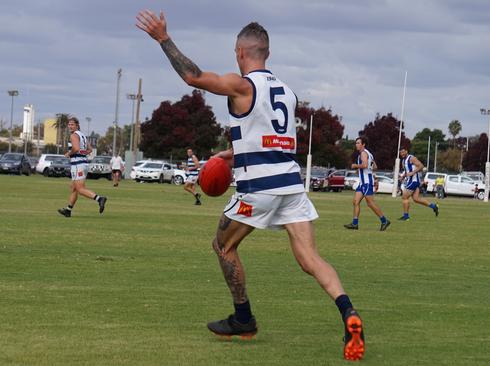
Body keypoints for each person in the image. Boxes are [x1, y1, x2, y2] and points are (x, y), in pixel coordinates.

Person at [137, 11, 365, 361]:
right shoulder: (287, 93)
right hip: (290, 185)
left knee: (222, 246)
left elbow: (193, 77)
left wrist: (163, 39)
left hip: (258, 189)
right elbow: (272, 139)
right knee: (309, 258)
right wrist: (232, 153)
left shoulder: (243, 85)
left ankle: (243, 318)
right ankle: (348, 312)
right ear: (267, 54)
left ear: (239, 53)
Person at [57, 116, 107, 218]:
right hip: (83, 164)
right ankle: (68, 210)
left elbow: (75, 148)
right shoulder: (82, 135)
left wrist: (69, 154)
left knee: (80, 189)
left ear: (77, 125)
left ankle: (99, 199)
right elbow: (89, 150)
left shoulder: (74, 135)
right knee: (74, 188)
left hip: (77, 165)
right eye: (69, 124)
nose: (70, 126)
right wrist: (81, 153)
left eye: (72, 124)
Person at [344, 137, 390, 231]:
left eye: (358, 143)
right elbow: (375, 167)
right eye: (356, 143)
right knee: (355, 202)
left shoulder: (363, 153)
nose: (356, 144)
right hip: (363, 182)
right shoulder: (369, 154)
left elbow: (365, 165)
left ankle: (384, 220)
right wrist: (361, 170)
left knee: (370, 203)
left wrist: (355, 166)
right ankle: (355, 224)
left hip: (367, 182)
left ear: (363, 144)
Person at [398, 148, 439, 220]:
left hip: (413, 181)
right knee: (416, 199)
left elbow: (421, 166)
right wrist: (403, 176)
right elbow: (406, 171)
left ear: (406, 151)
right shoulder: (403, 161)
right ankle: (434, 206)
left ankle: (406, 216)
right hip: (410, 181)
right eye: (401, 153)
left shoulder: (412, 158)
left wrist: (413, 172)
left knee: (404, 197)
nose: (402, 154)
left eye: (403, 152)